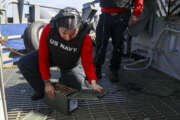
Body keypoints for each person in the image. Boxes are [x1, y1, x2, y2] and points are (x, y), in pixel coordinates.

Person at [17, 7, 103, 101]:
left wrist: (93, 82)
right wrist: (47, 83)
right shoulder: (48, 30)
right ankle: (42, 91)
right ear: (57, 26)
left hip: (71, 63)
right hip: (52, 56)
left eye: (73, 33)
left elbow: (88, 62)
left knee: (77, 87)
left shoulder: (85, 38)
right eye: (64, 33)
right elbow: (43, 57)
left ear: (79, 28)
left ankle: (64, 81)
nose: (67, 38)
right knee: (24, 63)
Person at [94, 0, 144, 82]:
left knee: (118, 45)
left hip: (122, 15)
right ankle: (97, 69)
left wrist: (136, 14)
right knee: (100, 43)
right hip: (105, 15)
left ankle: (114, 70)